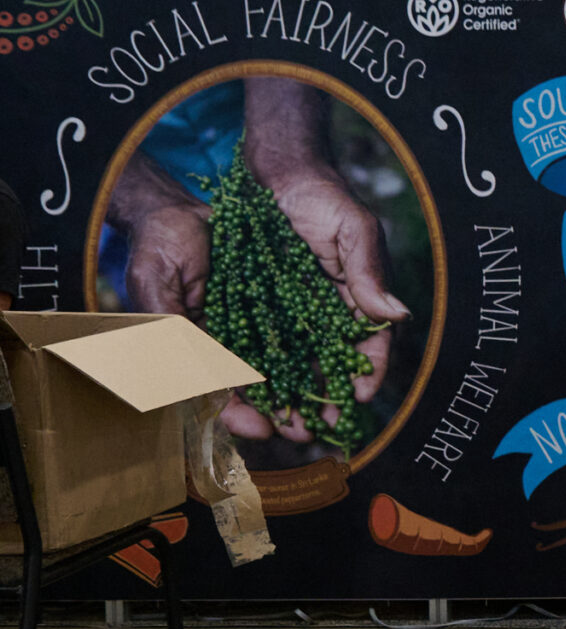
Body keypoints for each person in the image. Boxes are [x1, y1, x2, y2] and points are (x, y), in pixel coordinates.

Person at [103, 76, 404, 443]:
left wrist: (287, 156)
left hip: (256, 111)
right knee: (154, 284)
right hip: (131, 190)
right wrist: (143, 205)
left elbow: (284, 41)